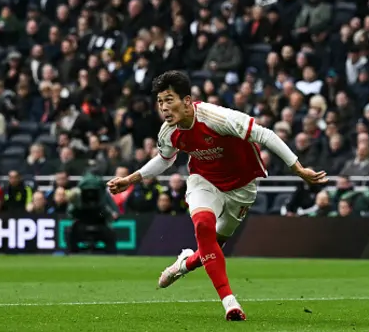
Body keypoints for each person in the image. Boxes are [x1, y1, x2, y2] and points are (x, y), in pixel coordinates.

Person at [107, 71, 327, 321]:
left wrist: (297, 168)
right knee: (203, 226)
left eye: (170, 100)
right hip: (204, 182)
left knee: (210, 249)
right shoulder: (168, 132)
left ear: (187, 101)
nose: (164, 108)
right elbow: (164, 160)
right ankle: (230, 302)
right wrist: (130, 179)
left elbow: (265, 134)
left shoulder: (216, 117)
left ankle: (184, 264)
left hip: (241, 188)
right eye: (160, 102)